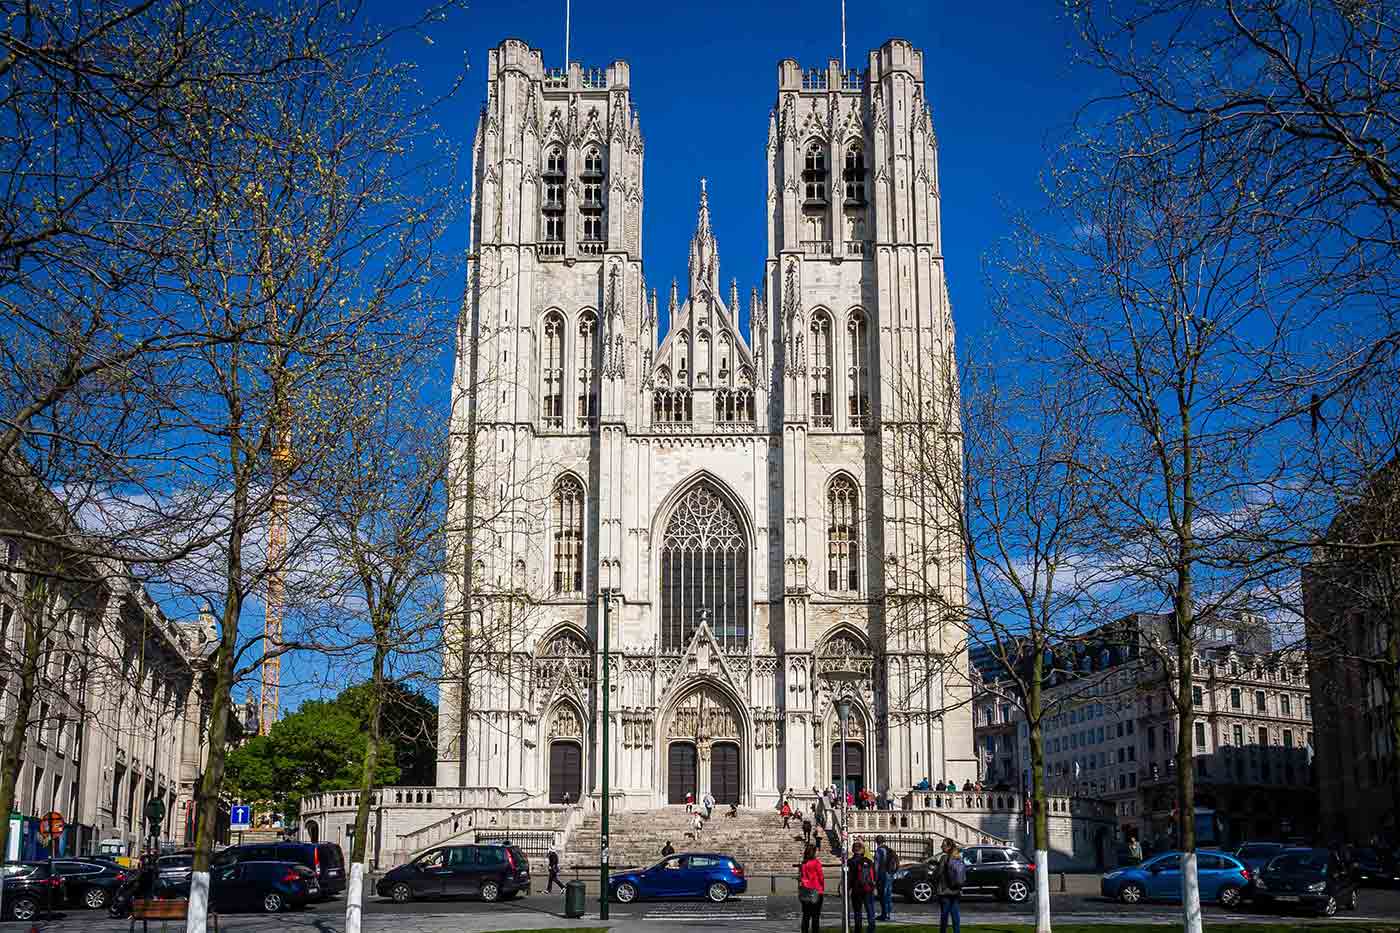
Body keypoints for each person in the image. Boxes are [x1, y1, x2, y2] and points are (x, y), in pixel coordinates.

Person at [931, 837, 965, 933]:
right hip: (956, 890)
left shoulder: (944, 858)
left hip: (945, 890)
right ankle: (957, 931)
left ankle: (943, 931)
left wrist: (934, 872)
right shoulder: (958, 857)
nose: (941, 846)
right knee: (955, 913)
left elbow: (938, 873)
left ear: (948, 847)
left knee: (944, 914)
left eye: (943, 845)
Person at [847, 840, 878, 933]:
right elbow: (874, 875)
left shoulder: (850, 862)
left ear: (853, 850)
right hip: (868, 888)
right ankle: (871, 928)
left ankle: (858, 929)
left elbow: (849, 877)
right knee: (870, 909)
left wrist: (848, 888)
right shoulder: (868, 861)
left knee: (857, 911)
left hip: (856, 890)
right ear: (862, 850)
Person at [799, 842, 825, 933]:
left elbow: (801, 876)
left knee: (806, 915)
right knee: (815, 916)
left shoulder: (803, 863)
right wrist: (822, 887)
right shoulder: (816, 863)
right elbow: (821, 876)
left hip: (805, 890)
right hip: (816, 890)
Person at [874, 835, 896, 922]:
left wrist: (875, 878)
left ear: (877, 842)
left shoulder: (879, 851)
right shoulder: (889, 849)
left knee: (882, 895)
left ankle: (884, 914)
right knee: (888, 895)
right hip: (889, 874)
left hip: (882, 875)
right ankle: (888, 914)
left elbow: (876, 865)